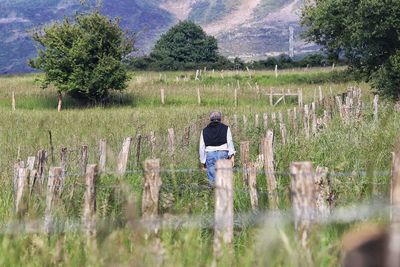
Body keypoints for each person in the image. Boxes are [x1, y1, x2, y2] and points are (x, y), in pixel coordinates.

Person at [199, 111, 235, 186]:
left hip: (210, 154)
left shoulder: (204, 130)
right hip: (223, 153)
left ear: (210, 119)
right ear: (220, 119)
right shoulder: (226, 128)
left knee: (212, 178)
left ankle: (212, 193)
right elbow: (230, 142)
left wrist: (203, 161)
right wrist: (231, 155)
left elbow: (202, 147)